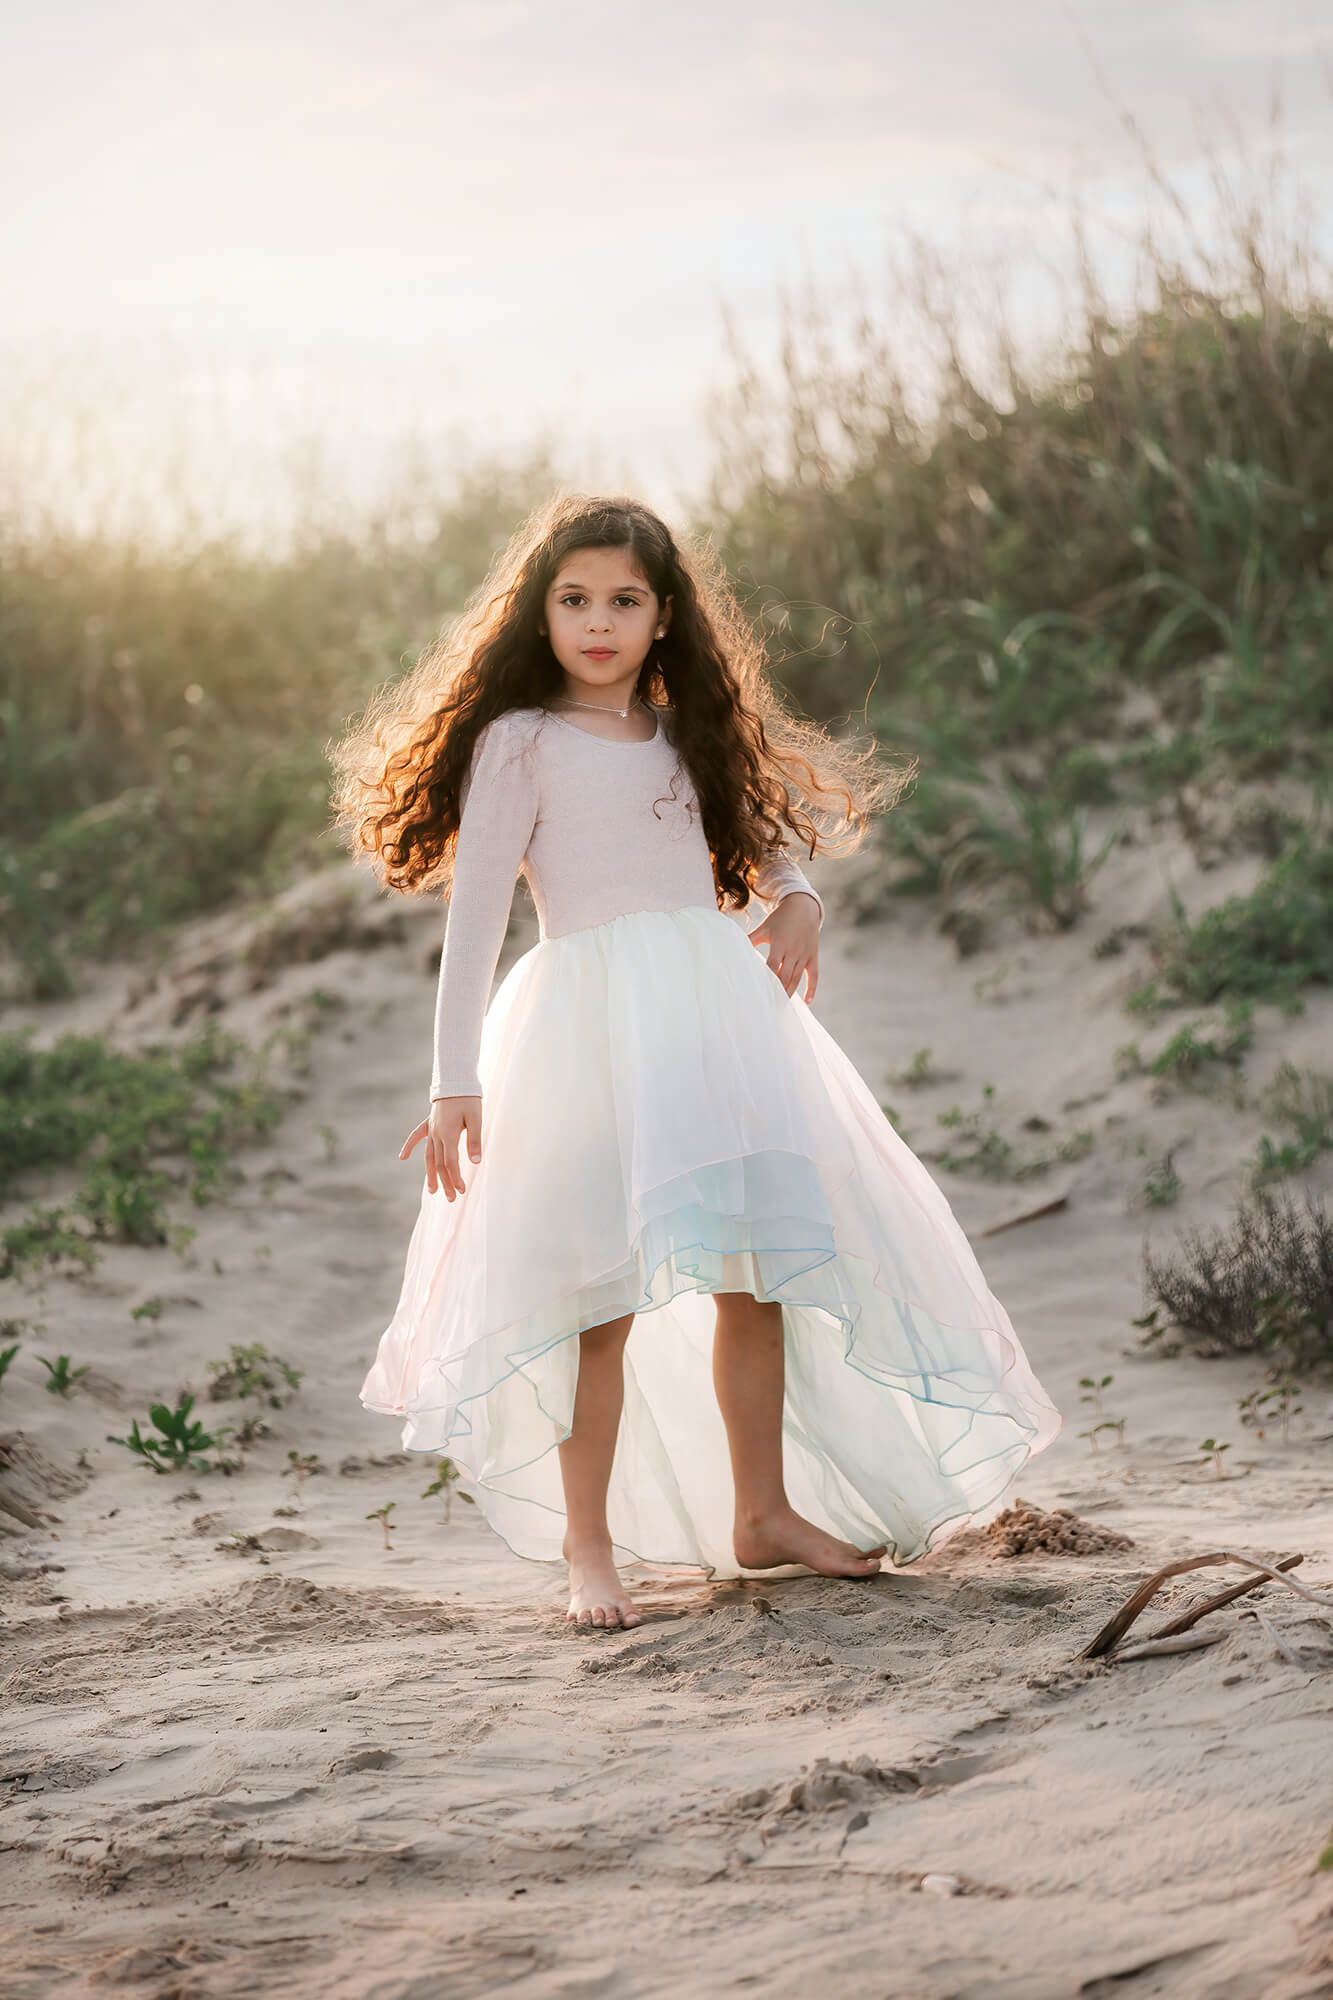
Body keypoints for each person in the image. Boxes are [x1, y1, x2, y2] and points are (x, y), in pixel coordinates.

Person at [333, 493, 1062, 1631]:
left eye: (624, 599)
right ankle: (588, 1548)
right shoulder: (519, 742)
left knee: (755, 1273)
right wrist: (453, 1079)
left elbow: (767, 858)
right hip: (582, 1033)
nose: (598, 621)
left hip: (712, 1026)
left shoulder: (688, 736)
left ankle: (760, 1513)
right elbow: (473, 920)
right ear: (540, 612)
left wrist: (802, 901)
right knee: (597, 1302)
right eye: (574, 599)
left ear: (665, 616)